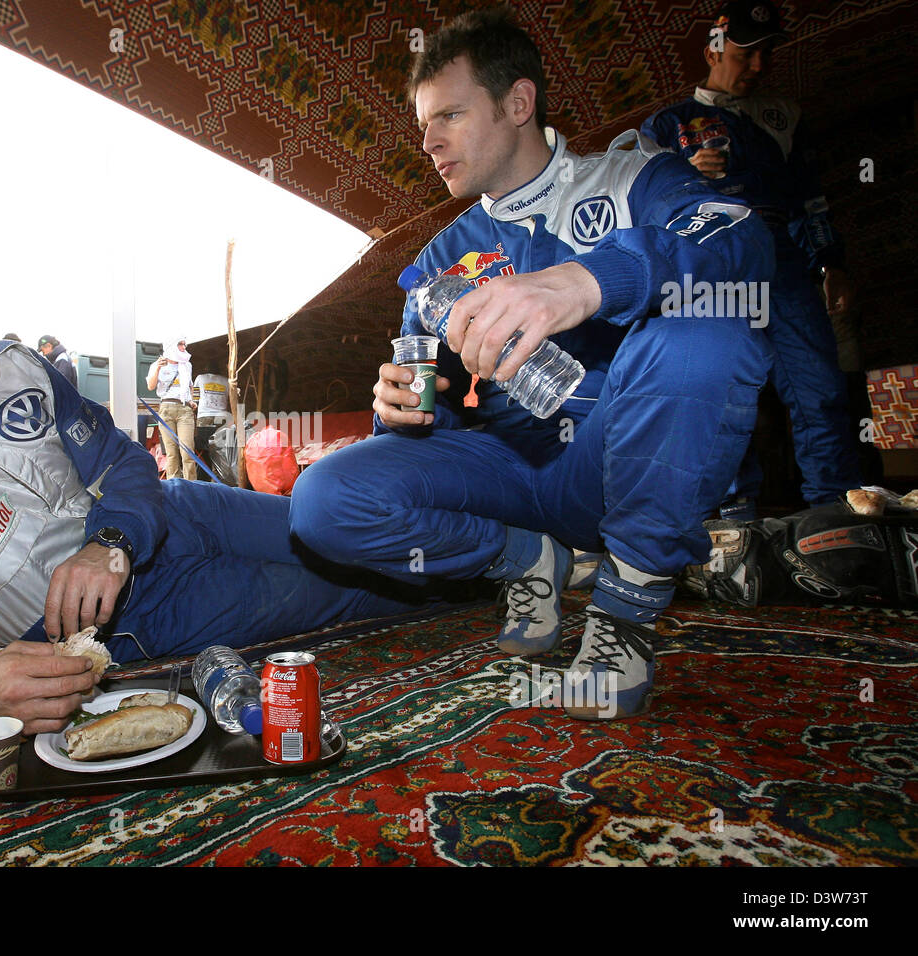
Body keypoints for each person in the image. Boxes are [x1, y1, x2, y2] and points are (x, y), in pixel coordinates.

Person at [0, 217, 421, 757]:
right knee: (359, 584)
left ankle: (501, 528)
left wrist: (112, 539)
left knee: (352, 527)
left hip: (176, 515)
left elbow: (123, 460)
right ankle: (501, 577)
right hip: (142, 621)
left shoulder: (18, 367)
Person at [288, 7, 773, 719]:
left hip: (612, 465)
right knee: (322, 500)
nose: (428, 142)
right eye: (423, 125)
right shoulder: (438, 260)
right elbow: (428, 417)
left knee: (711, 321)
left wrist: (592, 279)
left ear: (519, 103)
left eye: (449, 115)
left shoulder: (634, 179)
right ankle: (524, 557)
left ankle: (623, 617)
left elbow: (742, 246)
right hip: (510, 475)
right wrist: (401, 408)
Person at [641, 0, 860, 518]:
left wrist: (831, 262)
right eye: (747, 54)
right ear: (714, 50)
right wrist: (685, 177)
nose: (759, 66)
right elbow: (644, 208)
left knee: (820, 386)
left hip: (781, 257)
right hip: (710, 257)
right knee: (715, 388)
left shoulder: (784, 117)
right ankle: (733, 517)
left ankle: (837, 512)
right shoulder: (665, 125)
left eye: (767, 54)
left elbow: (811, 198)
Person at [146, 337, 199, 480]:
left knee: (187, 451)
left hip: (184, 409)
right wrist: (157, 368)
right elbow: (151, 386)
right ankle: (174, 486)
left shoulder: (187, 365)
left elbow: (190, 385)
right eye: (180, 344)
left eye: (184, 344)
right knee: (171, 452)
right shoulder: (157, 365)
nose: (184, 347)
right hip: (166, 408)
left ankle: (191, 486)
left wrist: (191, 400)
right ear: (171, 346)